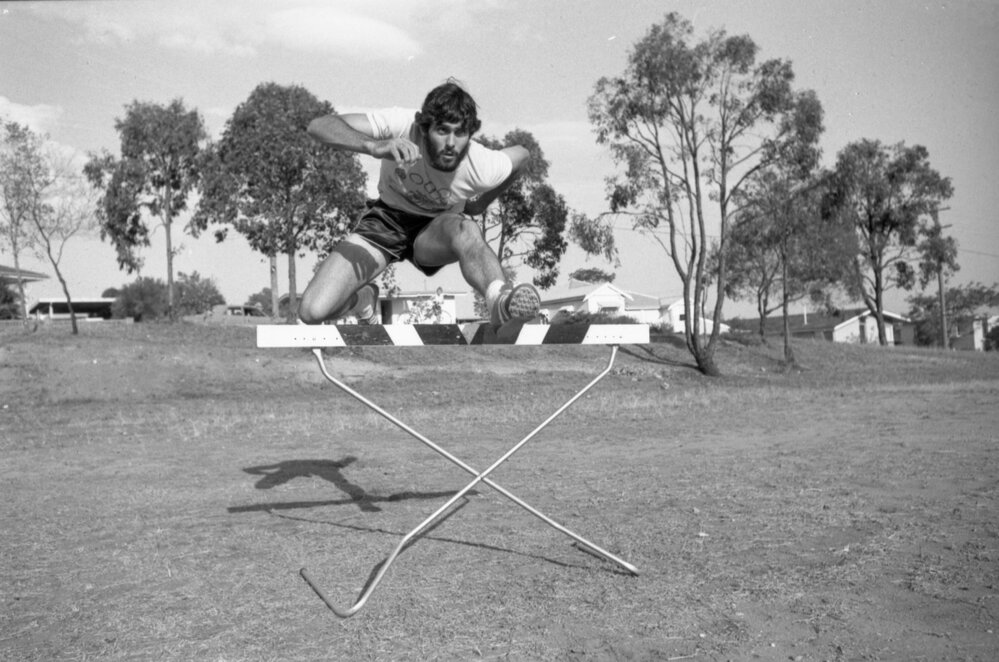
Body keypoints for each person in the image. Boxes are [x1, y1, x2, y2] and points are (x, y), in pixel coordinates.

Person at [298, 80, 541, 331]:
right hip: (387, 220)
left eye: (460, 133)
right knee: (312, 310)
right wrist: (373, 145)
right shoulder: (402, 124)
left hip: (436, 230)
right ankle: (362, 301)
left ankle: (499, 300)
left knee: (466, 230)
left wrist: (482, 203)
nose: (450, 143)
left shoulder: (481, 166)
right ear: (424, 129)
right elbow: (319, 126)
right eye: (442, 131)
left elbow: (522, 155)